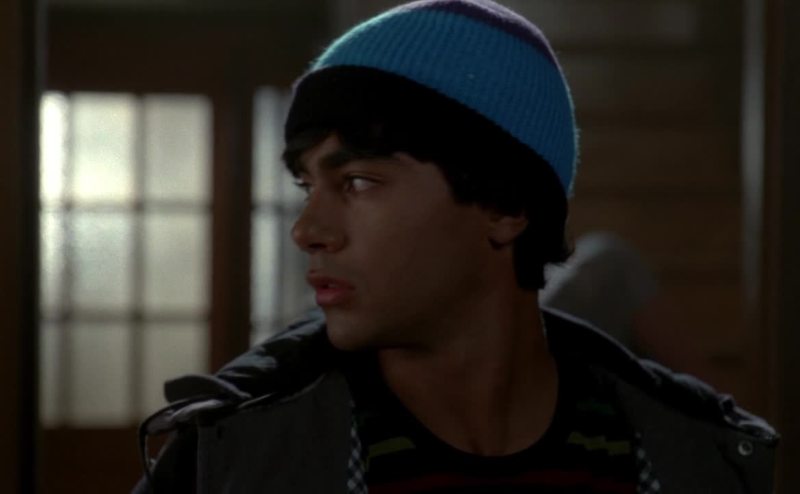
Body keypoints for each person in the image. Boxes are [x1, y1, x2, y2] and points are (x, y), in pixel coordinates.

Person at [133, 1, 778, 492]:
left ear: (505, 206)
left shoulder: (686, 458)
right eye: (308, 185)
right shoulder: (234, 456)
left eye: (357, 181)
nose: (307, 230)